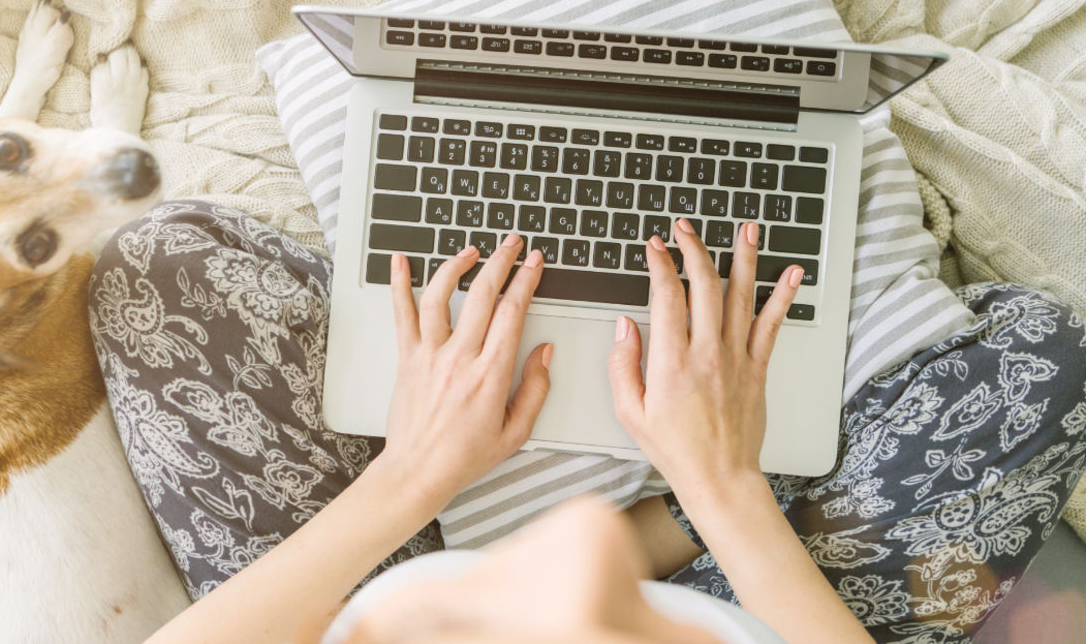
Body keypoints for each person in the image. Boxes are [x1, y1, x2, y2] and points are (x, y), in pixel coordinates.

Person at [87, 201, 1086, 644]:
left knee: (158, 270)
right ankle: (720, 500)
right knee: (1041, 360)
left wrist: (415, 471)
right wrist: (722, 487)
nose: (575, 536)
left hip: (395, 580)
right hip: (746, 597)